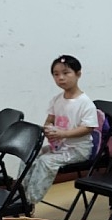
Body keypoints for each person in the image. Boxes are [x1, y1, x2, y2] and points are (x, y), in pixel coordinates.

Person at [22, 55, 98, 207]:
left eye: (66, 73)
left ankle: (30, 201)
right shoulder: (57, 99)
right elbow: (50, 119)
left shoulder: (85, 103)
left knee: (46, 161)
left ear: (78, 74)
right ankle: (19, 194)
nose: (60, 78)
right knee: (29, 154)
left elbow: (88, 128)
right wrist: (48, 128)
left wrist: (63, 134)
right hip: (58, 147)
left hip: (77, 150)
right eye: (56, 74)